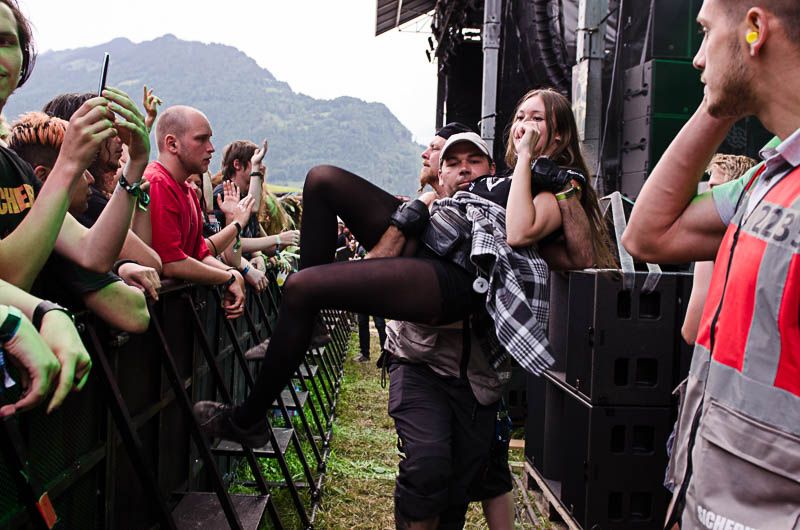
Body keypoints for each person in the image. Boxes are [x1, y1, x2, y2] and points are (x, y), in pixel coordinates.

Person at [193, 87, 611, 453]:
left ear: (559, 135)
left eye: (536, 119)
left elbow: (545, 243)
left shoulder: (553, 184)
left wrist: (532, 163)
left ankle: (248, 419)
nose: (523, 125)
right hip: (435, 237)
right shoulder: (508, 175)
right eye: (520, 117)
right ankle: (312, 324)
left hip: (461, 274)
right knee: (321, 180)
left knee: (303, 287)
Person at [383, 108, 608, 530]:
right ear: (440, 174)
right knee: (427, 466)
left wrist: (558, 184)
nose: (463, 171)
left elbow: (568, 252)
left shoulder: (523, 199)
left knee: (458, 485)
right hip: (420, 361)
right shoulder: (438, 212)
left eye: (537, 117)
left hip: (479, 376)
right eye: (452, 163)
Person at [622, 1, 800, 527]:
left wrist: (730, 78)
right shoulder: (768, 178)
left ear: (754, 28)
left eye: (705, 33)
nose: (698, 58)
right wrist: (723, 95)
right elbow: (647, 234)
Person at [0, 1, 150, 409]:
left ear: (22, 61)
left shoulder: (15, 169)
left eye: (6, 42)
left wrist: (136, 165)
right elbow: (9, 278)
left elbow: (93, 251)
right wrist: (68, 163)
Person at [7, 111, 154, 332]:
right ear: (41, 176)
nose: (90, 179)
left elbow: (92, 253)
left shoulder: (32, 214)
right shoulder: (49, 234)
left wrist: (119, 267)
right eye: (81, 168)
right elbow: (135, 313)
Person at [146, 105, 245, 319]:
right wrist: (226, 278)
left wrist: (230, 273)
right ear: (172, 144)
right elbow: (172, 263)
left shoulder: (188, 190)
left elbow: (199, 252)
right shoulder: (157, 183)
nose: (211, 148)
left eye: (210, 139)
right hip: (158, 317)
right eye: (201, 139)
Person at [680, 151, 759, 344]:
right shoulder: (757, 241)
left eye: (714, 188)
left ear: (733, 192)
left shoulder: (712, 247)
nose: (707, 195)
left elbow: (692, 332)